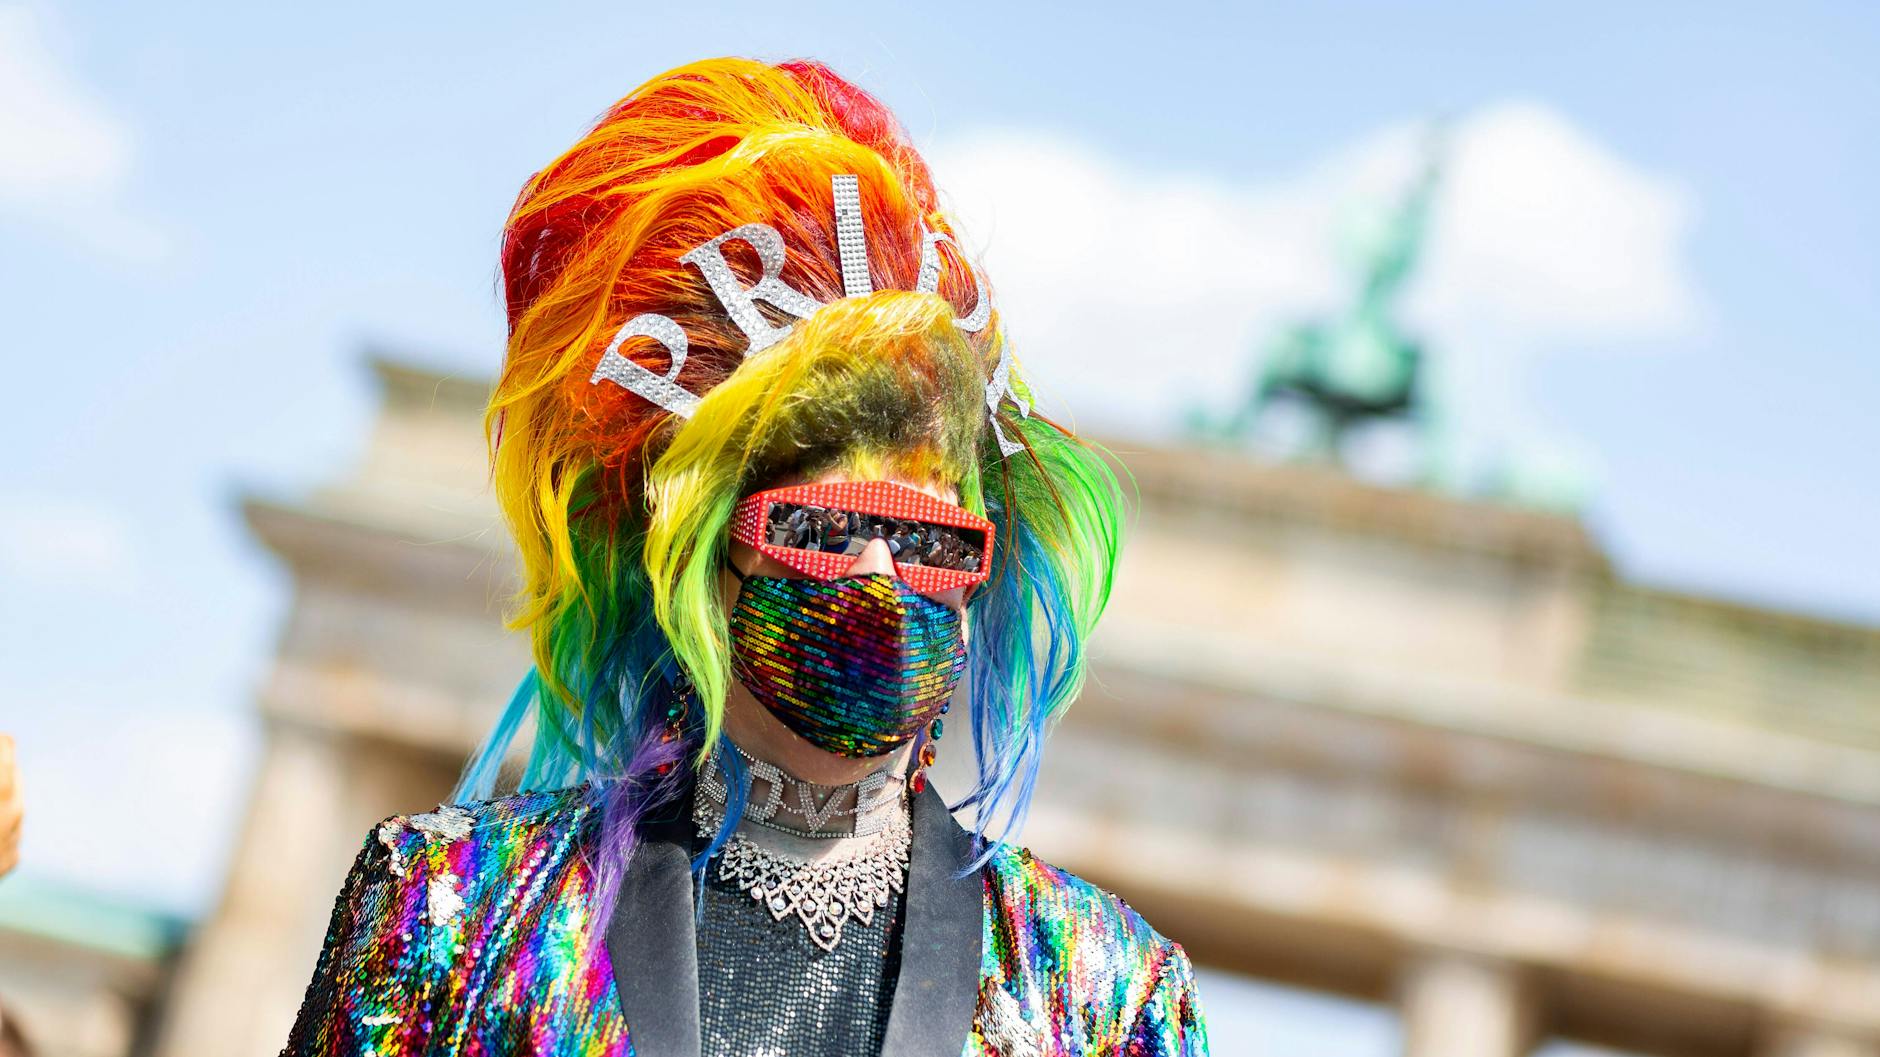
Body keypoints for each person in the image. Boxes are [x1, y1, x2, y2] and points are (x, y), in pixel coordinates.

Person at [282, 56, 1207, 1057]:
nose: (878, 575)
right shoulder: (453, 910)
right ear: (702, 558)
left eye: (932, 540)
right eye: (819, 528)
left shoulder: (1103, 986)